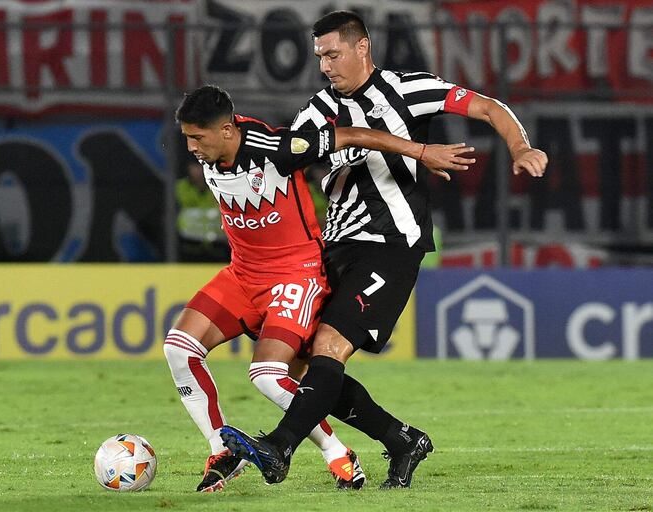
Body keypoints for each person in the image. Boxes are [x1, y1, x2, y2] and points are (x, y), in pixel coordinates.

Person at [220, 10, 548, 489]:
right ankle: (401, 439)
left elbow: (489, 107)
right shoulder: (315, 112)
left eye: (333, 54)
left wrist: (519, 147)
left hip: (391, 245)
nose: (326, 66)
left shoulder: (409, 89)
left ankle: (279, 447)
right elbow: (298, 169)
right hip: (334, 247)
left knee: (330, 347)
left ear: (362, 47)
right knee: (305, 365)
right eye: (319, 57)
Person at [164, 84, 475, 492]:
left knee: (270, 375)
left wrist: (421, 151)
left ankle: (336, 453)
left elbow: (355, 134)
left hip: (296, 275)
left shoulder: (277, 148)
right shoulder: (212, 152)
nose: (190, 147)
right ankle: (220, 448)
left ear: (226, 130)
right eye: (186, 137)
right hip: (242, 275)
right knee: (178, 348)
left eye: (196, 137)